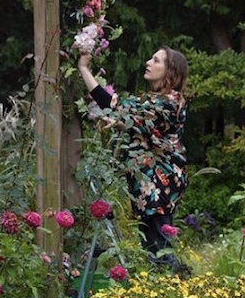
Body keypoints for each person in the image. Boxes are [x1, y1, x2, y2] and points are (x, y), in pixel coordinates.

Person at [77, 45, 189, 272]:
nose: (148, 62)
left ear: (171, 72)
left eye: (156, 60)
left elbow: (113, 107)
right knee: (153, 246)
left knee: (158, 250)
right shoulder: (154, 101)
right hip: (151, 185)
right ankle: (165, 290)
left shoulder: (166, 103)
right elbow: (122, 115)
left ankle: (169, 292)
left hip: (159, 185)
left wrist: (83, 68)